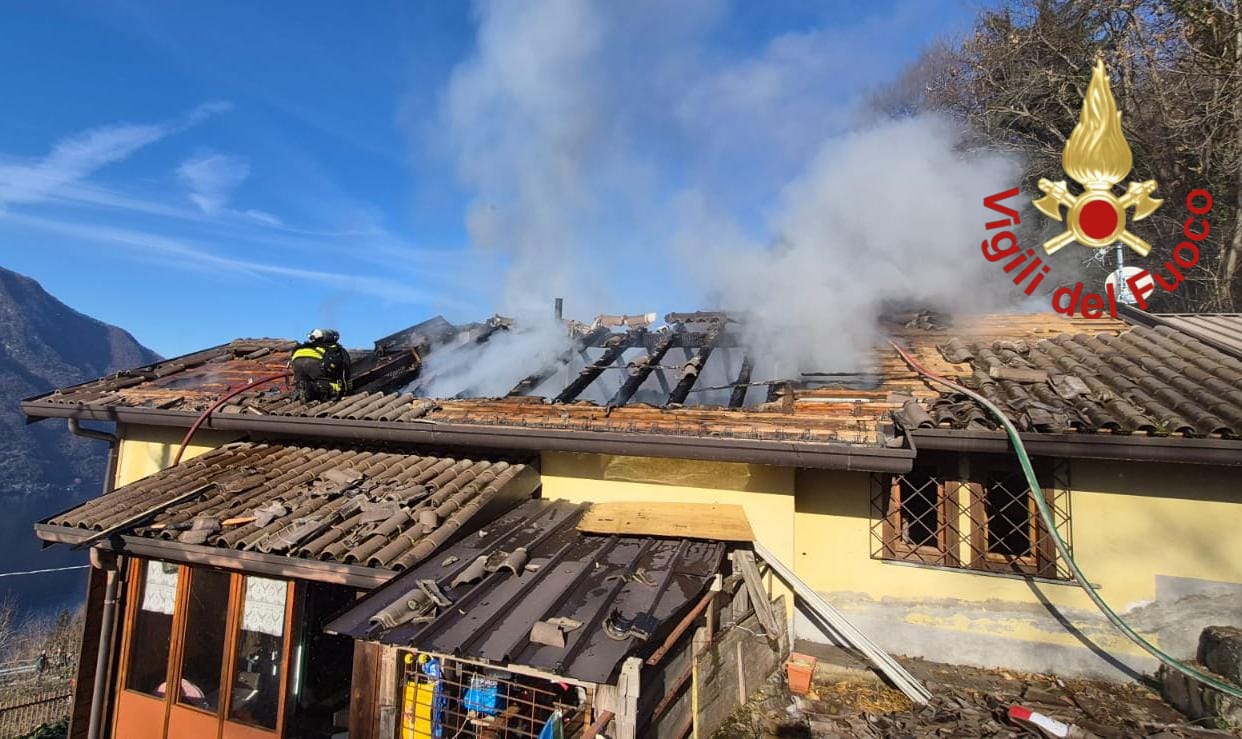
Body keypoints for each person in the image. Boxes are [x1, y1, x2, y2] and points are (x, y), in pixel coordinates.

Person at [290, 328, 351, 401]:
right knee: (323, 385)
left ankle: (302, 389)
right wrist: (346, 390)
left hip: (296, 360)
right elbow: (346, 373)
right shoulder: (336, 349)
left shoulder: (303, 348)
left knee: (303, 380)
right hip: (316, 365)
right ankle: (313, 391)